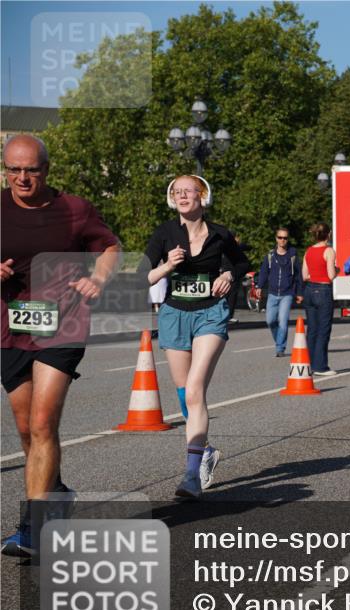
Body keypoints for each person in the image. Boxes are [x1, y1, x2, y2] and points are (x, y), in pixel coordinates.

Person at [1, 135, 121, 555]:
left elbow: (109, 247)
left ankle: (33, 529)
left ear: (46, 170)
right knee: (25, 429)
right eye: (13, 170)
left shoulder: (74, 209)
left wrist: (99, 278)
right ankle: (57, 492)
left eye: (31, 170)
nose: (22, 178)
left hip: (62, 322)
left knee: (42, 423)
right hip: (9, 327)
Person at [144, 174, 249, 499]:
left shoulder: (220, 233)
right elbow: (142, 276)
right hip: (175, 314)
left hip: (210, 313)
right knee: (183, 394)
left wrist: (228, 273)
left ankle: (190, 476)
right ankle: (205, 451)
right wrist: (166, 267)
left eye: (188, 191)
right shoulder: (164, 232)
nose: (182, 196)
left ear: (202, 196)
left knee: (194, 390)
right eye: (177, 192)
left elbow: (242, 263)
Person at [257, 227, 303, 357]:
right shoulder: (270, 256)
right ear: (276, 239)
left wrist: (300, 293)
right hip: (272, 293)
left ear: (288, 239)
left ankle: (280, 348)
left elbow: (298, 276)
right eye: (280, 237)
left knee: (283, 321)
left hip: (287, 294)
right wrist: (259, 286)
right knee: (270, 321)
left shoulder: (293, 256)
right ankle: (279, 341)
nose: (282, 240)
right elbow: (264, 272)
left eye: (285, 238)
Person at [301, 223, 336, 375]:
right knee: (323, 329)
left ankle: (308, 364)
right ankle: (320, 366)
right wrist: (337, 269)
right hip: (323, 290)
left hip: (309, 290)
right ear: (328, 234)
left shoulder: (308, 251)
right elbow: (331, 275)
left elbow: (304, 275)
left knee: (312, 329)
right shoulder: (329, 251)